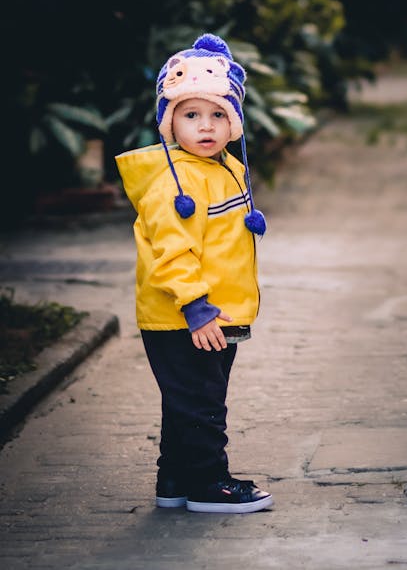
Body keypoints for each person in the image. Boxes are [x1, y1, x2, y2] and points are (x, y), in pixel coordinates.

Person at [115, 33, 273, 514]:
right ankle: (209, 484)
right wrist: (197, 310)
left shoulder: (221, 168)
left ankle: (175, 480)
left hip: (212, 314)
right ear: (170, 122)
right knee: (203, 404)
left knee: (185, 401)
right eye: (190, 115)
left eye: (218, 115)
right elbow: (172, 253)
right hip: (187, 317)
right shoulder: (176, 183)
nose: (205, 126)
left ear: (234, 124)